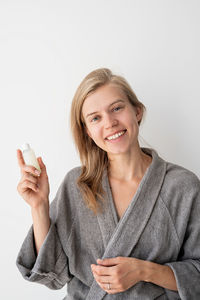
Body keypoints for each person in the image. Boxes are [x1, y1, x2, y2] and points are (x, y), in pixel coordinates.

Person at [16, 68, 200, 300]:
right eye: (95, 118)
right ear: (88, 131)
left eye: (117, 108)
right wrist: (39, 205)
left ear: (137, 111)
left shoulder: (183, 187)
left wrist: (146, 271)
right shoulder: (77, 185)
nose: (110, 123)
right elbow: (52, 274)